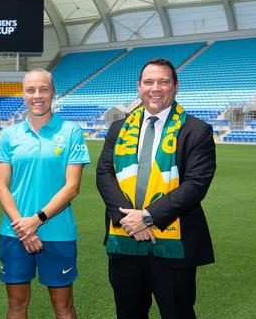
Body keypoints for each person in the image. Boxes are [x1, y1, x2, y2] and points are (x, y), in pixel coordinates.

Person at [96, 58, 216, 319]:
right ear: (139, 87)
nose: (155, 88)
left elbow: (195, 185)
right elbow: (105, 174)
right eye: (149, 82)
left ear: (175, 87)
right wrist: (130, 220)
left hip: (173, 245)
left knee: (177, 313)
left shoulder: (197, 130)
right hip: (124, 241)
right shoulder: (119, 128)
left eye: (163, 82)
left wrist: (147, 218)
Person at [0, 69, 90, 319]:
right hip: (14, 232)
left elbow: (72, 187)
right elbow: (1, 186)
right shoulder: (9, 135)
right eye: (31, 90)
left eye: (43, 89)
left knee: (63, 306)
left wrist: (36, 221)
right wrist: (23, 228)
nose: (37, 96)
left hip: (57, 232)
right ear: (23, 94)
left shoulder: (71, 132)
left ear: (53, 92)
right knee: (16, 304)